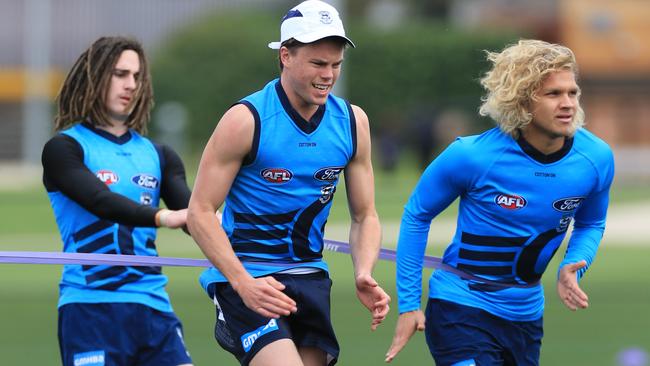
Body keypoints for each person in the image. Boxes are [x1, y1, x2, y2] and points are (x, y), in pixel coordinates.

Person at [385, 39, 615, 365]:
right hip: (460, 306)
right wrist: (409, 304)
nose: (568, 104)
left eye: (572, 92)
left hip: (526, 315)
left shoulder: (596, 158)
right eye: (553, 94)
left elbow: (591, 222)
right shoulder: (471, 156)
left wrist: (573, 264)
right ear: (521, 100)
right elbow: (416, 215)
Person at [186, 1, 391, 365]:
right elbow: (200, 212)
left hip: (311, 277)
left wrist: (363, 272)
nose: (328, 74)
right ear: (285, 56)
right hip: (249, 276)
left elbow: (365, 216)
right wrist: (242, 282)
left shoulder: (352, 122)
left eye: (335, 65)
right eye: (317, 63)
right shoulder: (245, 120)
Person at [42, 36, 193, 366]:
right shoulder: (65, 148)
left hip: (154, 308)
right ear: (95, 75)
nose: (131, 85)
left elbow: (196, 216)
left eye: (137, 77)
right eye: (120, 74)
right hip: (90, 309)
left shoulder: (160, 155)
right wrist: (163, 217)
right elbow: (100, 201)